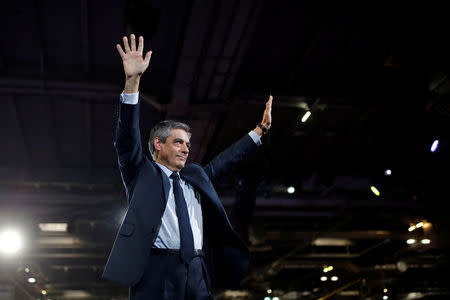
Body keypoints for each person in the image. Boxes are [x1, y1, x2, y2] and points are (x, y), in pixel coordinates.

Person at [102, 34, 273, 300]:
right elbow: (126, 140)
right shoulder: (141, 173)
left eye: (188, 144)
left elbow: (226, 160)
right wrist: (132, 82)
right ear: (158, 144)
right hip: (156, 270)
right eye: (178, 142)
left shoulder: (194, 177)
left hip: (196, 268)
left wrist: (259, 131)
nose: (186, 149)